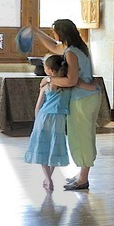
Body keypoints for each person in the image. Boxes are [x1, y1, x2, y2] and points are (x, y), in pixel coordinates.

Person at [43, 18, 101, 190]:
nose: (54, 35)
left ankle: (83, 179)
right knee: (86, 135)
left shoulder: (70, 52)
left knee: (81, 137)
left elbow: (71, 80)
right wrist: (35, 32)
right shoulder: (80, 47)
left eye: (55, 32)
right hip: (89, 96)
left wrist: (49, 79)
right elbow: (53, 47)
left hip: (81, 99)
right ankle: (82, 174)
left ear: (62, 33)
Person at [23, 54, 71, 193]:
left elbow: (38, 106)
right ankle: (49, 177)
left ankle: (47, 178)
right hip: (59, 118)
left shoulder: (46, 86)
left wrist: (37, 121)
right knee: (55, 147)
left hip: (44, 118)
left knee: (43, 147)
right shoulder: (67, 86)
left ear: (50, 70)